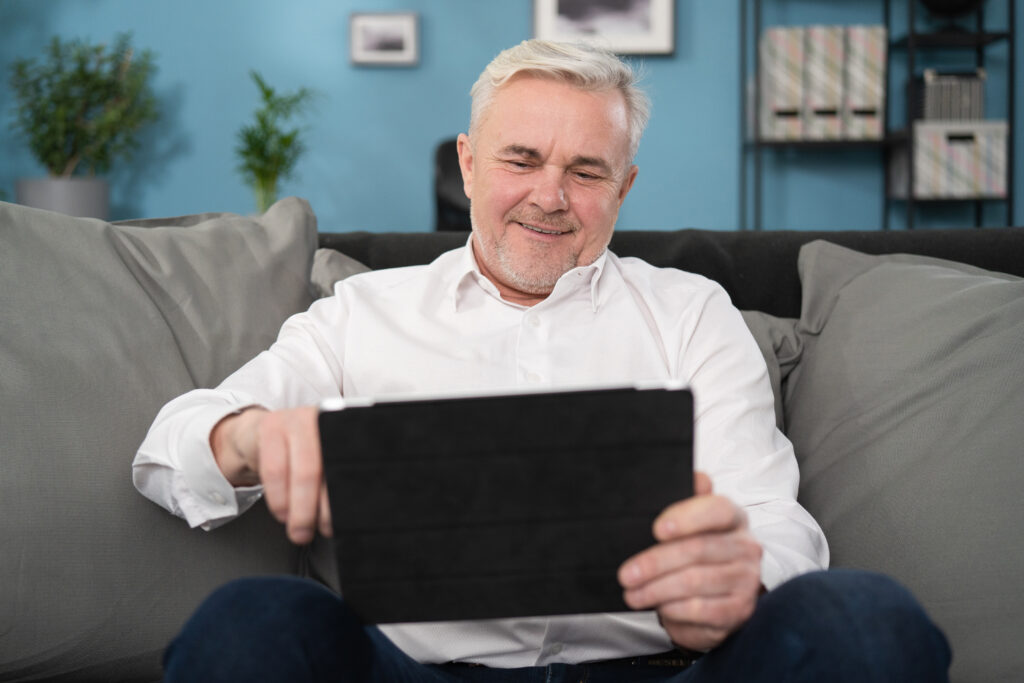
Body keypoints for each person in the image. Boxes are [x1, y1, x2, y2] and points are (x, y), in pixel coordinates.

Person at [134, 39, 951, 682]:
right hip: (416, 673)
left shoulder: (691, 312)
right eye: (521, 159)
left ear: (624, 187)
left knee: (867, 618)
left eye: (586, 170)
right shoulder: (362, 313)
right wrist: (250, 437)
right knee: (252, 622)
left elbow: (774, 519)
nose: (550, 195)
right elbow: (169, 448)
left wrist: (739, 581)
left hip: (660, 669)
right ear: (467, 162)